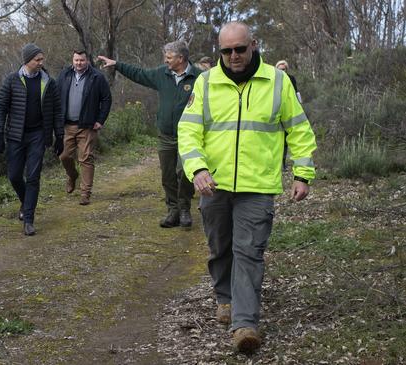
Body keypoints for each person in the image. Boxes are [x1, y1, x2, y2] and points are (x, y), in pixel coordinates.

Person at [178, 22, 317, 353]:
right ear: (220, 51)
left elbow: (299, 130)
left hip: (258, 185)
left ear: (253, 45)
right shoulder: (206, 82)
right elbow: (188, 131)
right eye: (226, 51)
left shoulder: (277, 82)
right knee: (219, 247)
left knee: (249, 251)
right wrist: (197, 169)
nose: (234, 56)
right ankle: (224, 296)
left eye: (240, 49)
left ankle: (245, 324)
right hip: (214, 185)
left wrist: (303, 173)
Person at [97, 40, 201, 228]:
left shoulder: (200, 78)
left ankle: (185, 208)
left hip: (190, 137)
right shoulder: (162, 74)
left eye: (169, 57)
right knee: (167, 175)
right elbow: (139, 74)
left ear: (181, 58)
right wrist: (117, 65)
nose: (166, 60)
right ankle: (173, 210)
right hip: (166, 136)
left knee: (185, 173)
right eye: (165, 57)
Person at [0, 43, 64, 236]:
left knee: (33, 177)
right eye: (37, 60)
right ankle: (26, 203)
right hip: (16, 135)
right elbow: (0, 108)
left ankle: (29, 219)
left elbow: (57, 111)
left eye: (42, 59)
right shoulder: (12, 80)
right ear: (27, 61)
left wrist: (60, 136)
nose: (41, 63)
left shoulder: (49, 82)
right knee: (14, 176)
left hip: (38, 136)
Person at [56, 50, 112, 205]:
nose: (78, 63)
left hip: (87, 125)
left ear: (87, 60)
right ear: (72, 60)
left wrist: (100, 120)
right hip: (67, 125)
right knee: (64, 156)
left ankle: (85, 193)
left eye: (81, 60)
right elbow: (55, 95)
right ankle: (72, 175)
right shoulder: (64, 75)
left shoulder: (97, 77)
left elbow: (106, 99)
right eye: (76, 60)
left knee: (86, 158)